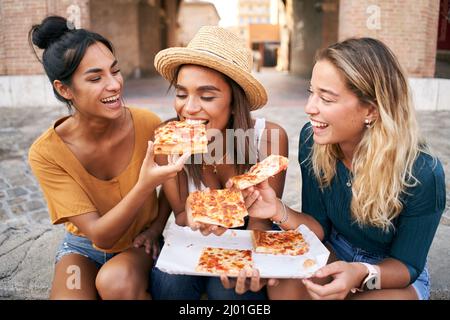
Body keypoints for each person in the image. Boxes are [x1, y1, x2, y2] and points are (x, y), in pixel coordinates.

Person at [236, 37, 446, 300]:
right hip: (333, 248)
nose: (309, 108)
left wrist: (359, 273)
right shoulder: (312, 140)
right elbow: (319, 227)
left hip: (390, 272)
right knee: (283, 287)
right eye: (311, 92)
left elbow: (408, 265)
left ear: (370, 109)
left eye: (326, 98)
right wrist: (278, 210)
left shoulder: (423, 172)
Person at [27, 16, 189, 300]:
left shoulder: (148, 124)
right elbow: (99, 236)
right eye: (95, 78)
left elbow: (169, 183)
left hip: (136, 246)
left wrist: (154, 229)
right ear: (64, 89)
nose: (114, 84)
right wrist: (143, 185)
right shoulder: (47, 152)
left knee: (118, 282)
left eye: (115, 71)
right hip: (82, 249)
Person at [150, 26, 289, 300]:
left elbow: (260, 221)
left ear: (235, 102)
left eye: (207, 96)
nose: (188, 108)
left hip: (247, 236)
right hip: (192, 239)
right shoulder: (168, 138)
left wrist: (247, 262)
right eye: (181, 94)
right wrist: (192, 211)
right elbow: (180, 216)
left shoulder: (268, 139)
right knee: (170, 286)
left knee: (231, 293)